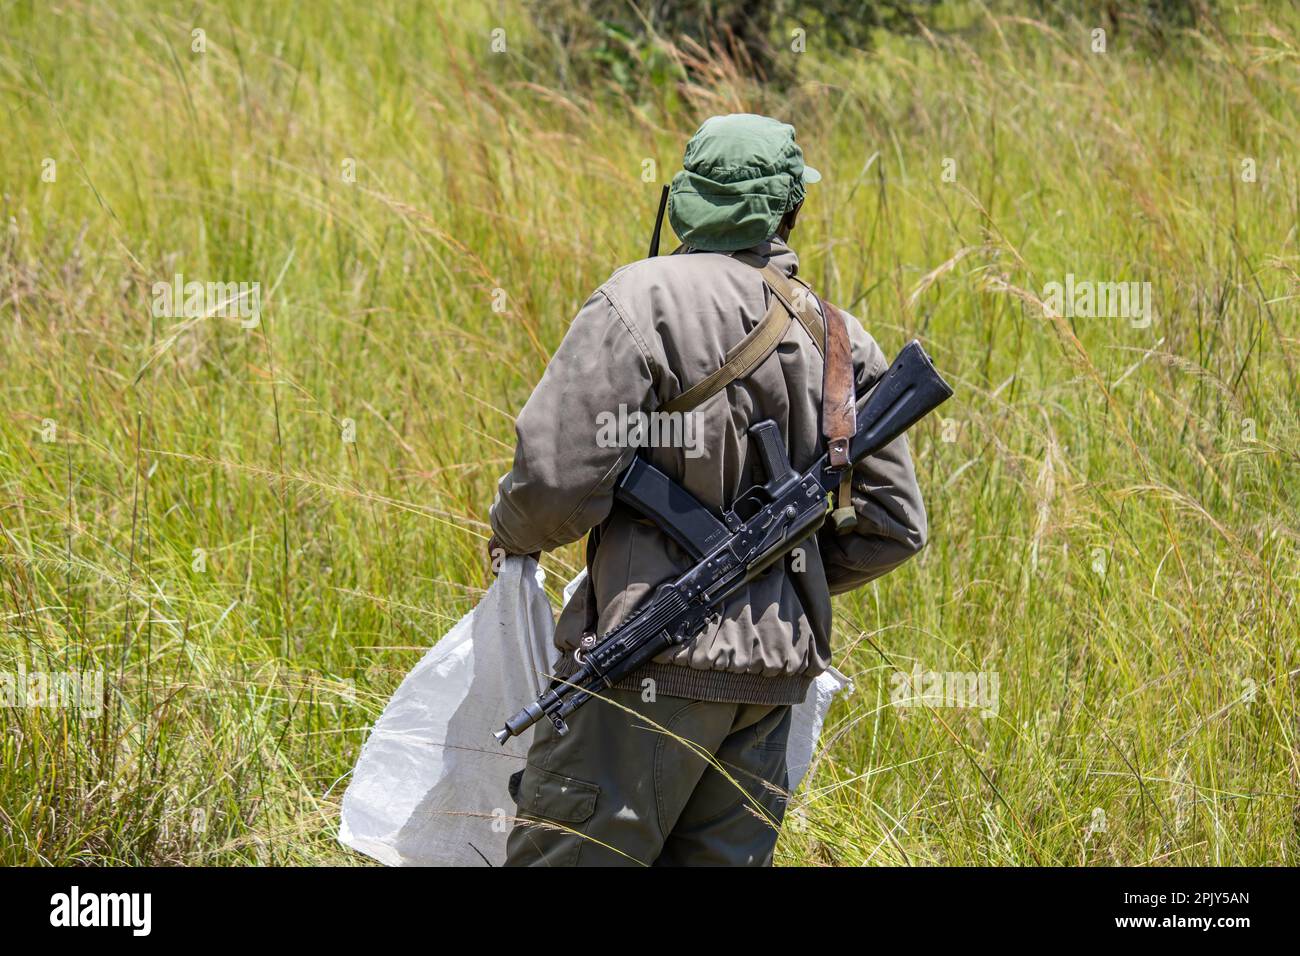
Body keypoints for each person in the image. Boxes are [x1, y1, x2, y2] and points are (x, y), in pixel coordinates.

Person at [487, 113, 927, 866]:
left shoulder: (640, 299)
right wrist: (779, 575)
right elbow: (894, 523)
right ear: (791, 210)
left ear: (683, 200)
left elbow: (553, 484)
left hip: (641, 669)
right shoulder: (836, 336)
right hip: (771, 686)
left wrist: (510, 538)